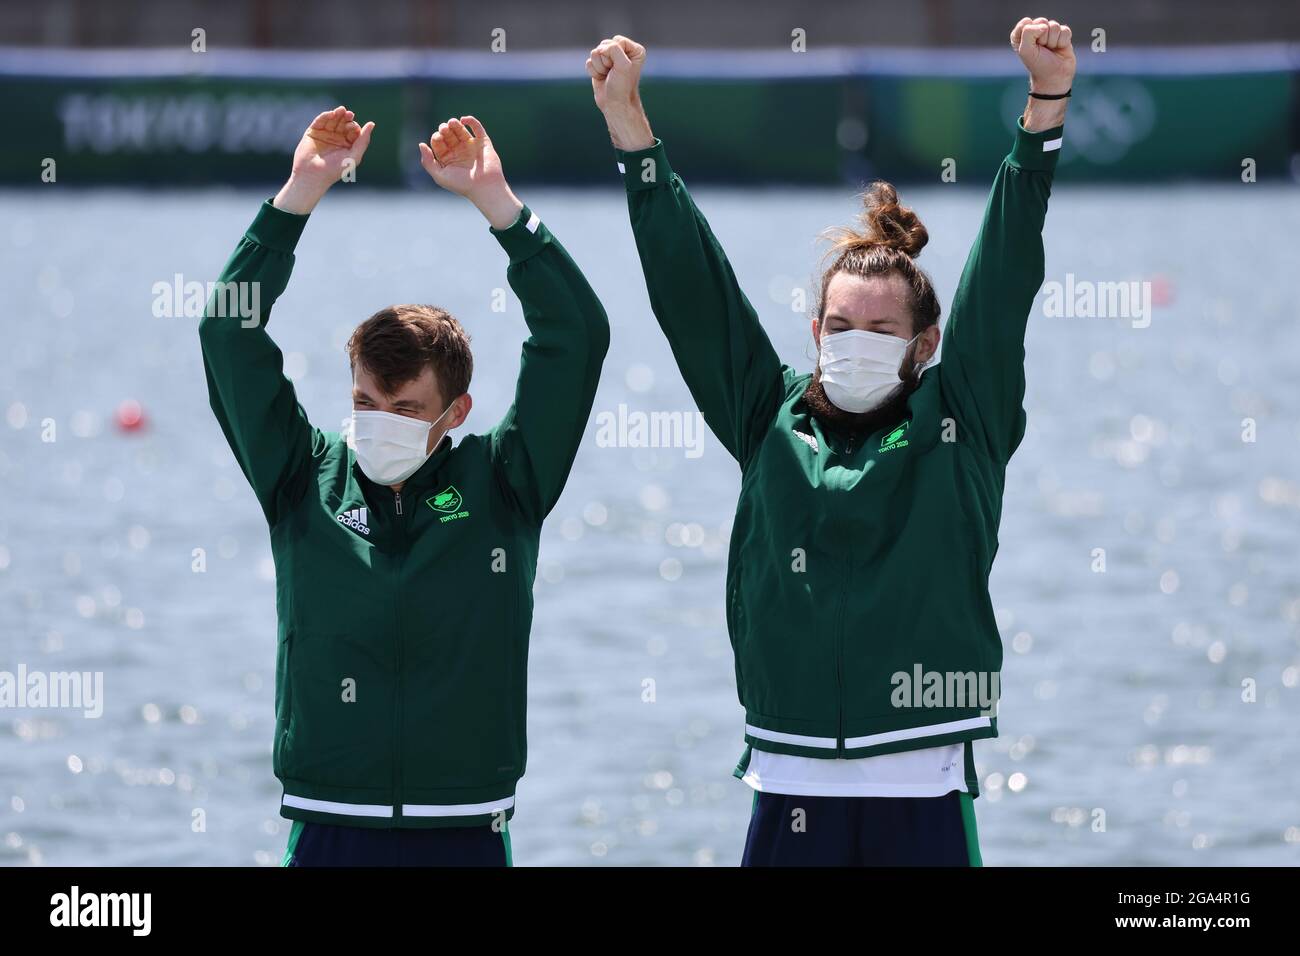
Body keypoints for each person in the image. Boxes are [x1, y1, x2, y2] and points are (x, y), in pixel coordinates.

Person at [587, 17, 1074, 865]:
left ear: (925, 345)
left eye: (882, 328)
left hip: (920, 784)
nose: (856, 340)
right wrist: (631, 129)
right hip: (786, 778)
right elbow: (693, 292)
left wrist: (1044, 107)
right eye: (841, 325)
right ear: (814, 329)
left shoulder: (965, 420)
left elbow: (1003, 278)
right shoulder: (764, 414)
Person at [199, 106, 610, 865]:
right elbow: (229, 331)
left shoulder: (505, 484)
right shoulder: (300, 477)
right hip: (329, 825)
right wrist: (298, 196)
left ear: (455, 412)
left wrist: (500, 208)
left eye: (405, 408)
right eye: (364, 403)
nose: (379, 421)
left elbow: (575, 335)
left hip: (464, 829)